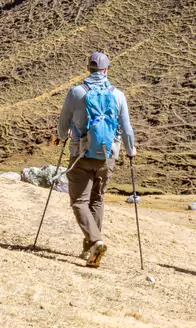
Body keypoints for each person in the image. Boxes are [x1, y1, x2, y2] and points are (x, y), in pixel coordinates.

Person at [56, 51, 136, 268]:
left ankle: (95, 241)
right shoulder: (118, 94)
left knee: (79, 201)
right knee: (97, 200)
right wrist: (131, 150)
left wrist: (63, 137)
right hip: (107, 155)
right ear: (106, 70)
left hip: (80, 154)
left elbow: (63, 123)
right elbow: (127, 129)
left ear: (88, 69)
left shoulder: (76, 92)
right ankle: (88, 248)